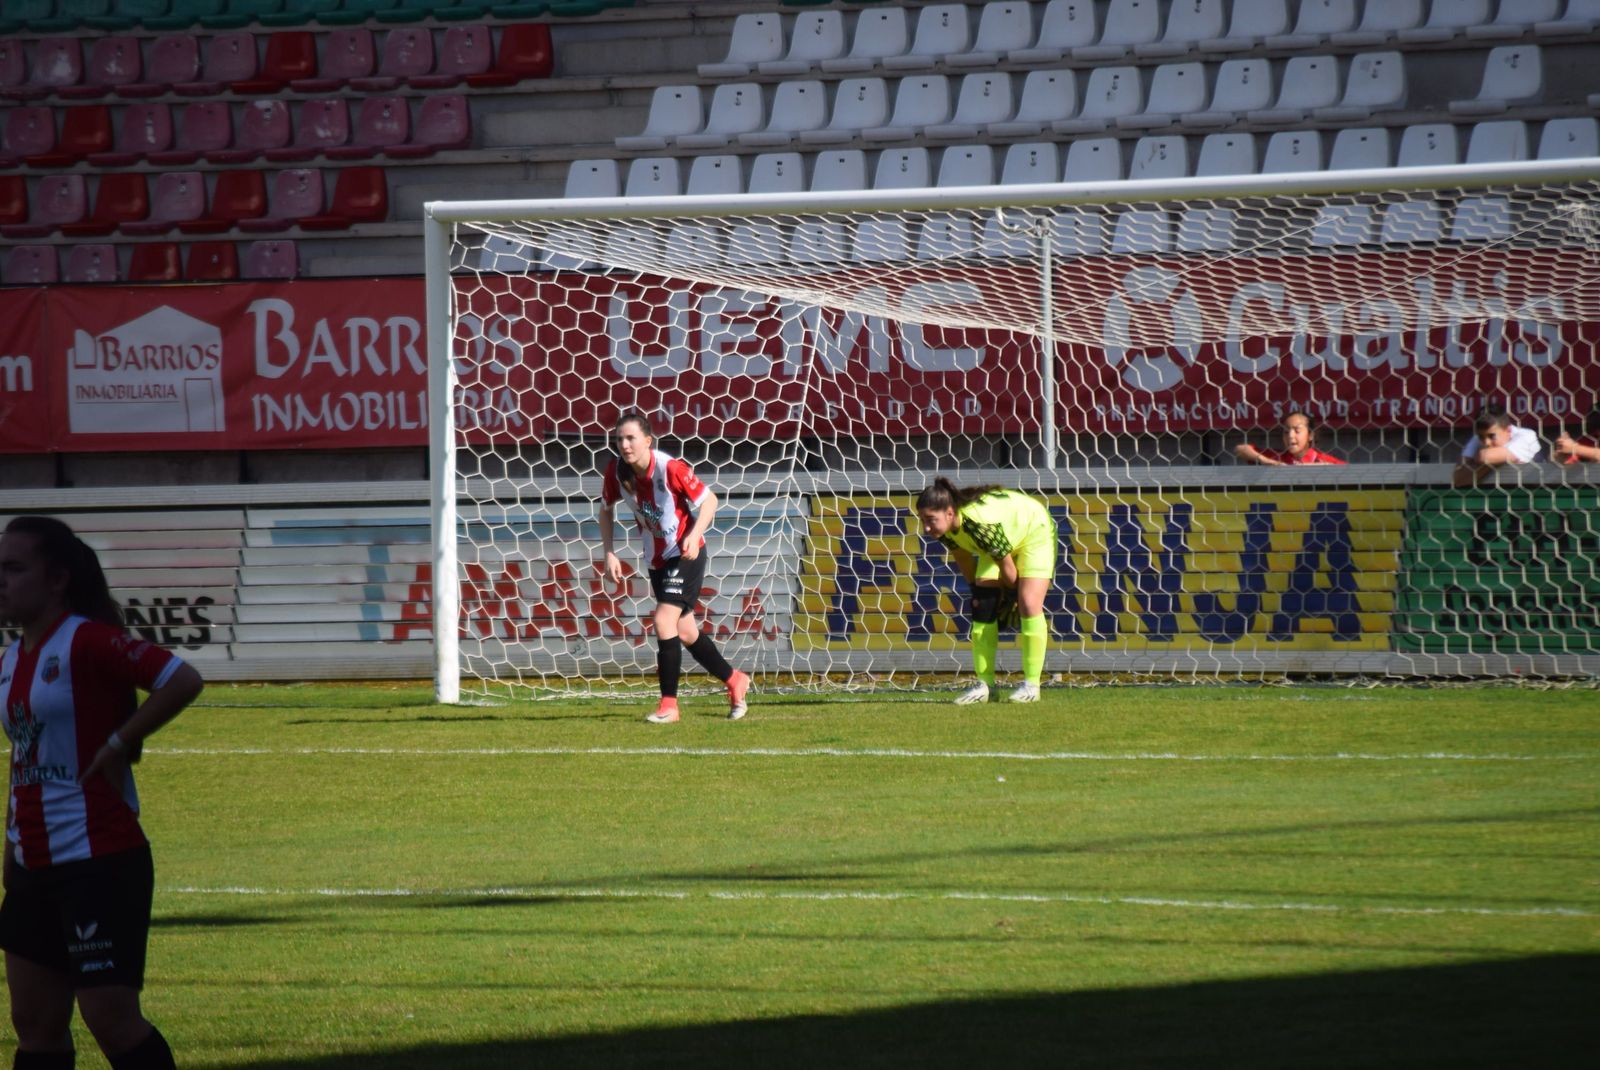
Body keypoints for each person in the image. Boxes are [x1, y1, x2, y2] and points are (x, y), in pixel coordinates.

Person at [0, 516, 203, 1070]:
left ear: (58, 578)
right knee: (35, 1026)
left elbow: (181, 679)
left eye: (14, 568)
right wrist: (10, 851)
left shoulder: (87, 640)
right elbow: (25, 757)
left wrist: (119, 741)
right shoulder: (10, 661)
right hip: (33, 863)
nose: (1, 580)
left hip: (99, 860)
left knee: (110, 1019)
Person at [599, 410, 750, 724]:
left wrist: (694, 536)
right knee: (684, 630)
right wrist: (609, 553)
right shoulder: (615, 472)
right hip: (657, 559)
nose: (625, 445)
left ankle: (669, 705)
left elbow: (710, 501)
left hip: (686, 554)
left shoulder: (670, 468)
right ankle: (734, 679)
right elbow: (605, 511)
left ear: (648, 440)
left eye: (631, 438)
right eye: (619, 439)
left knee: (663, 620)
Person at [915, 479, 1056, 705]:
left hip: (1033, 529)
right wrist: (976, 591)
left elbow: (1009, 572)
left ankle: (1032, 685)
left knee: (1028, 603)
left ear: (950, 513)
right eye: (922, 520)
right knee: (982, 605)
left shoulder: (980, 524)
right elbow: (962, 556)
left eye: (931, 520)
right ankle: (986, 685)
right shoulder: (945, 529)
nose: (926, 528)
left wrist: (1012, 598)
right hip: (1000, 540)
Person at [1452, 404, 1542, 487]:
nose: (1486, 442)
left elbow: (1484, 456)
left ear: (1508, 431)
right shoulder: (1478, 438)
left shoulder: (1526, 436)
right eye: (1481, 437)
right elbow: (1458, 479)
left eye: (1492, 436)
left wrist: (1483, 461)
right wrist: (1496, 461)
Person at [1233, 410, 1346, 466]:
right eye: (1286, 432)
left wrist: (1322, 467)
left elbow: (1349, 472)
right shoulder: (1277, 458)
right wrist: (1267, 461)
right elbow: (1240, 449)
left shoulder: (1322, 460)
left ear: (1310, 435)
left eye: (1297, 431)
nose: (1290, 436)